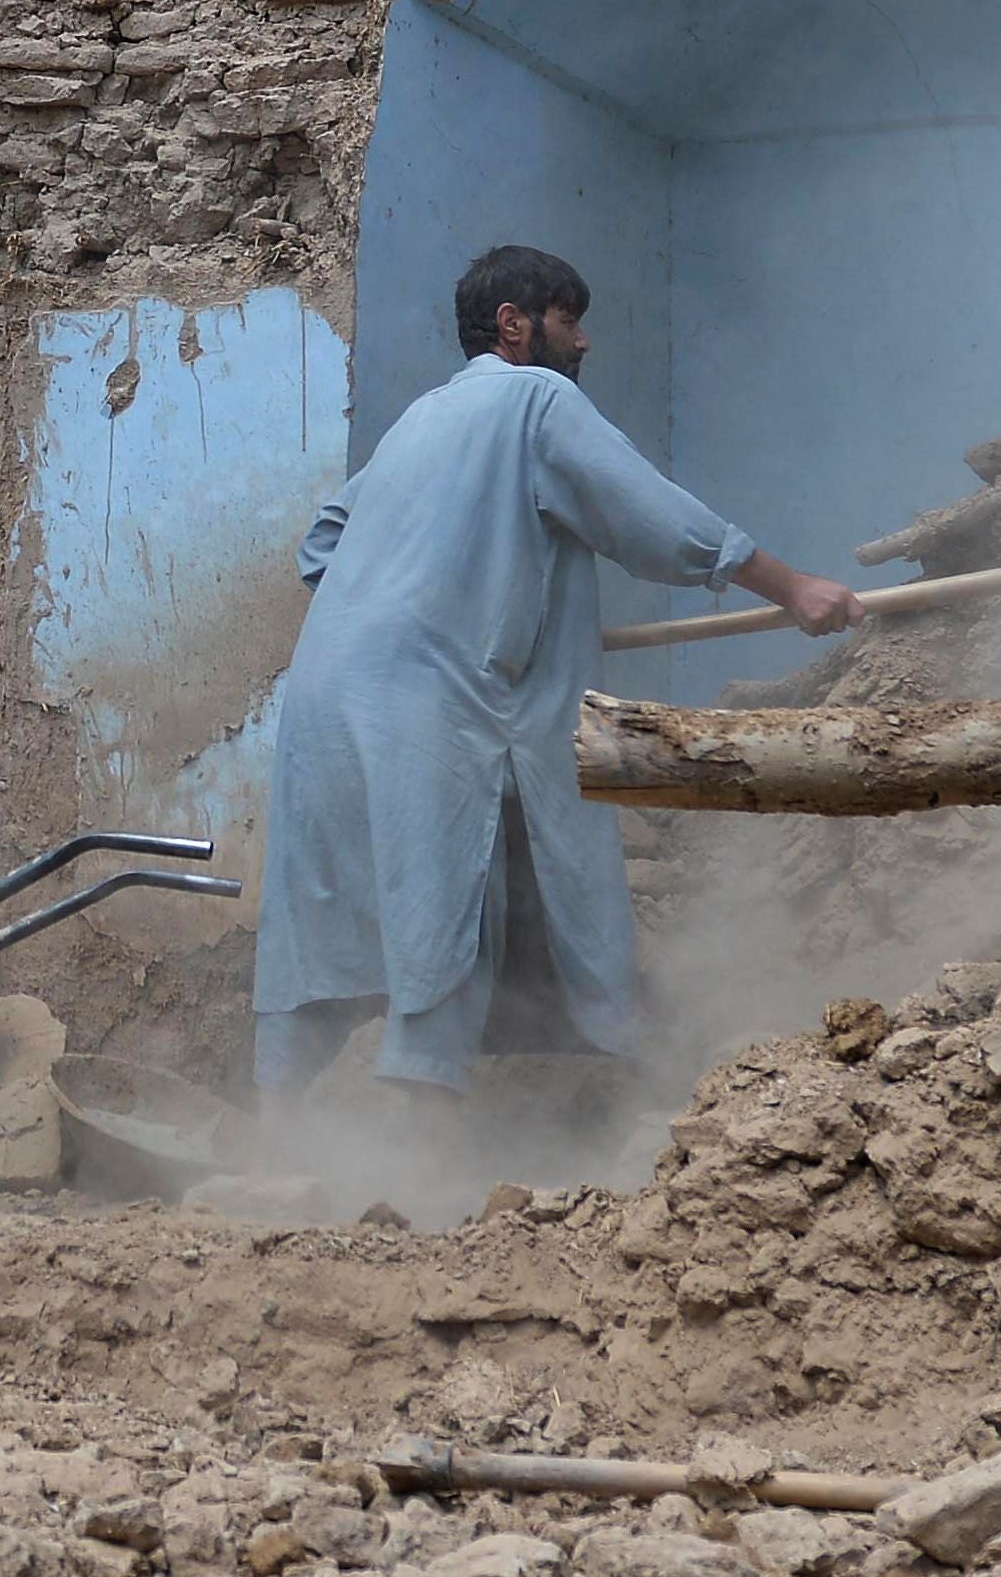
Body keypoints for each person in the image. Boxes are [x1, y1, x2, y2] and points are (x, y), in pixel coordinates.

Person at [251, 243, 859, 1152]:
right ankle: (423, 1166)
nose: (583, 342)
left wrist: (435, 584)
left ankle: (268, 1150)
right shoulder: (537, 398)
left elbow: (320, 546)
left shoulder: (422, 418)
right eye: (570, 320)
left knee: (323, 915)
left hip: (325, 697)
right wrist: (794, 587)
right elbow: (649, 517)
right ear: (515, 324)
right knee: (446, 905)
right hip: (428, 699)